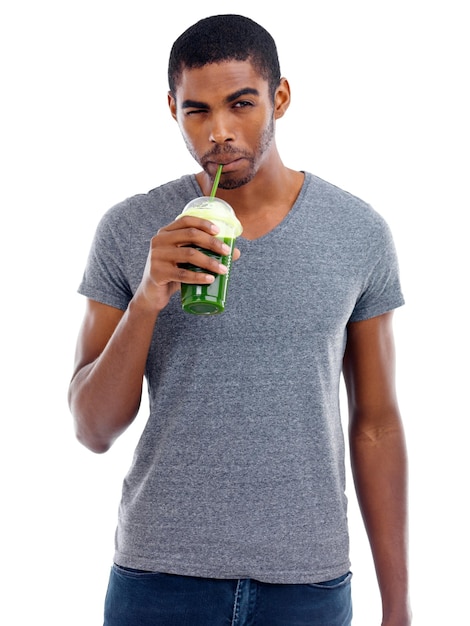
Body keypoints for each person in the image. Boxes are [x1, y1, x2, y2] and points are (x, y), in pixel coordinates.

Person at [68, 14, 411, 626]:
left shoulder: (358, 232)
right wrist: (148, 295)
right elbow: (92, 430)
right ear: (172, 110)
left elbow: (377, 425)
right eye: (196, 111)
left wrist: (399, 606)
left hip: (307, 584)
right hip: (159, 580)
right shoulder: (129, 228)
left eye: (241, 103)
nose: (219, 131)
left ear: (280, 96)